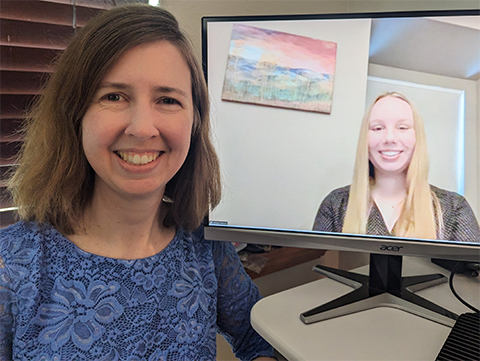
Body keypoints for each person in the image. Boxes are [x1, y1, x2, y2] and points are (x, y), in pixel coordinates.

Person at [0, 4, 276, 360]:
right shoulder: (11, 265)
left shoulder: (206, 247)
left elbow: (259, 341)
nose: (143, 128)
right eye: (113, 96)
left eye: (167, 99)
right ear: (75, 114)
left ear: (194, 121)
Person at [313, 91, 480, 243]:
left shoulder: (454, 208)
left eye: (402, 128)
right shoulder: (336, 205)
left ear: (417, 138)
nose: (390, 138)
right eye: (378, 128)